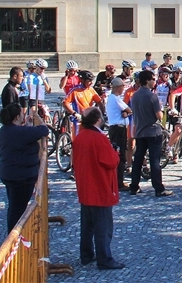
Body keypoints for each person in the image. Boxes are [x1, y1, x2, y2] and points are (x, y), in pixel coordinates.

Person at [72, 108, 124, 270]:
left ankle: (86, 255)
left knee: (87, 226)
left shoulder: (80, 137)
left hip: (85, 187)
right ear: (98, 120)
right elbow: (110, 162)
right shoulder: (98, 138)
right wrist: (115, 153)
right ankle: (105, 258)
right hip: (99, 188)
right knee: (103, 227)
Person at [0, 103, 49, 232]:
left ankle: (15, 235)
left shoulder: (4, 130)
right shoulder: (20, 132)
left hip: (8, 173)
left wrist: (27, 127)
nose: (23, 116)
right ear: (16, 117)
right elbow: (44, 130)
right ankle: (14, 237)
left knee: (14, 206)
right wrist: (38, 123)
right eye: (21, 114)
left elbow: (23, 137)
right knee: (18, 209)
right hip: (21, 176)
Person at [129, 70, 173, 197]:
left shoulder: (135, 96)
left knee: (138, 159)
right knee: (154, 160)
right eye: (153, 79)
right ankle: (158, 188)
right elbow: (159, 116)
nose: (154, 81)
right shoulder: (152, 96)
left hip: (140, 131)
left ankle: (134, 186)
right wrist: (163, 113)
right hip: (153, 131)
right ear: (147, 81)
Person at [105, 77, 131, 191]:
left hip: (115, 128)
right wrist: (126, 112)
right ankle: (118, 182)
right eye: (122, 86)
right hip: (118, 129)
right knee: (120, 156)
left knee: (118, 154)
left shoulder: (112, 98)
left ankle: (117, 180)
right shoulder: (115, 98)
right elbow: (129, 109)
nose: (123, 89)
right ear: (117, 87)